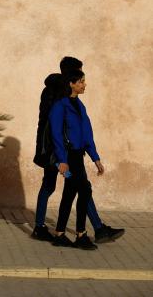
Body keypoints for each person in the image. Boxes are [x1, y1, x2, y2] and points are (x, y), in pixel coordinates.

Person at [32, 57, 124, 243]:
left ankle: (41, 227)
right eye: (79, 74)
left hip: (52, 150)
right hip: (58, 152)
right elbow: (54, 126)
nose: (82, 80)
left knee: (57, 186)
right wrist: (60, 156)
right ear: (71, 75)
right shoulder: (60, 95)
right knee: (81, 187)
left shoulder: (54, 92)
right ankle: (91, 230)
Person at [49, 68, 105, 250]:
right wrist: (62, 160)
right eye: (80, 81)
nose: (84, 84)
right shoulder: (60, 106)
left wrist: (95, 158)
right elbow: (56, 134)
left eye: (83, 81)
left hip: (78, 156)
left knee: (70, 194)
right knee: (85, 190)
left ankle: (59, 233)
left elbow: (86, 134)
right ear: (71, 84)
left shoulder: (80, 106)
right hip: (68, 157)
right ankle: (81, 234)